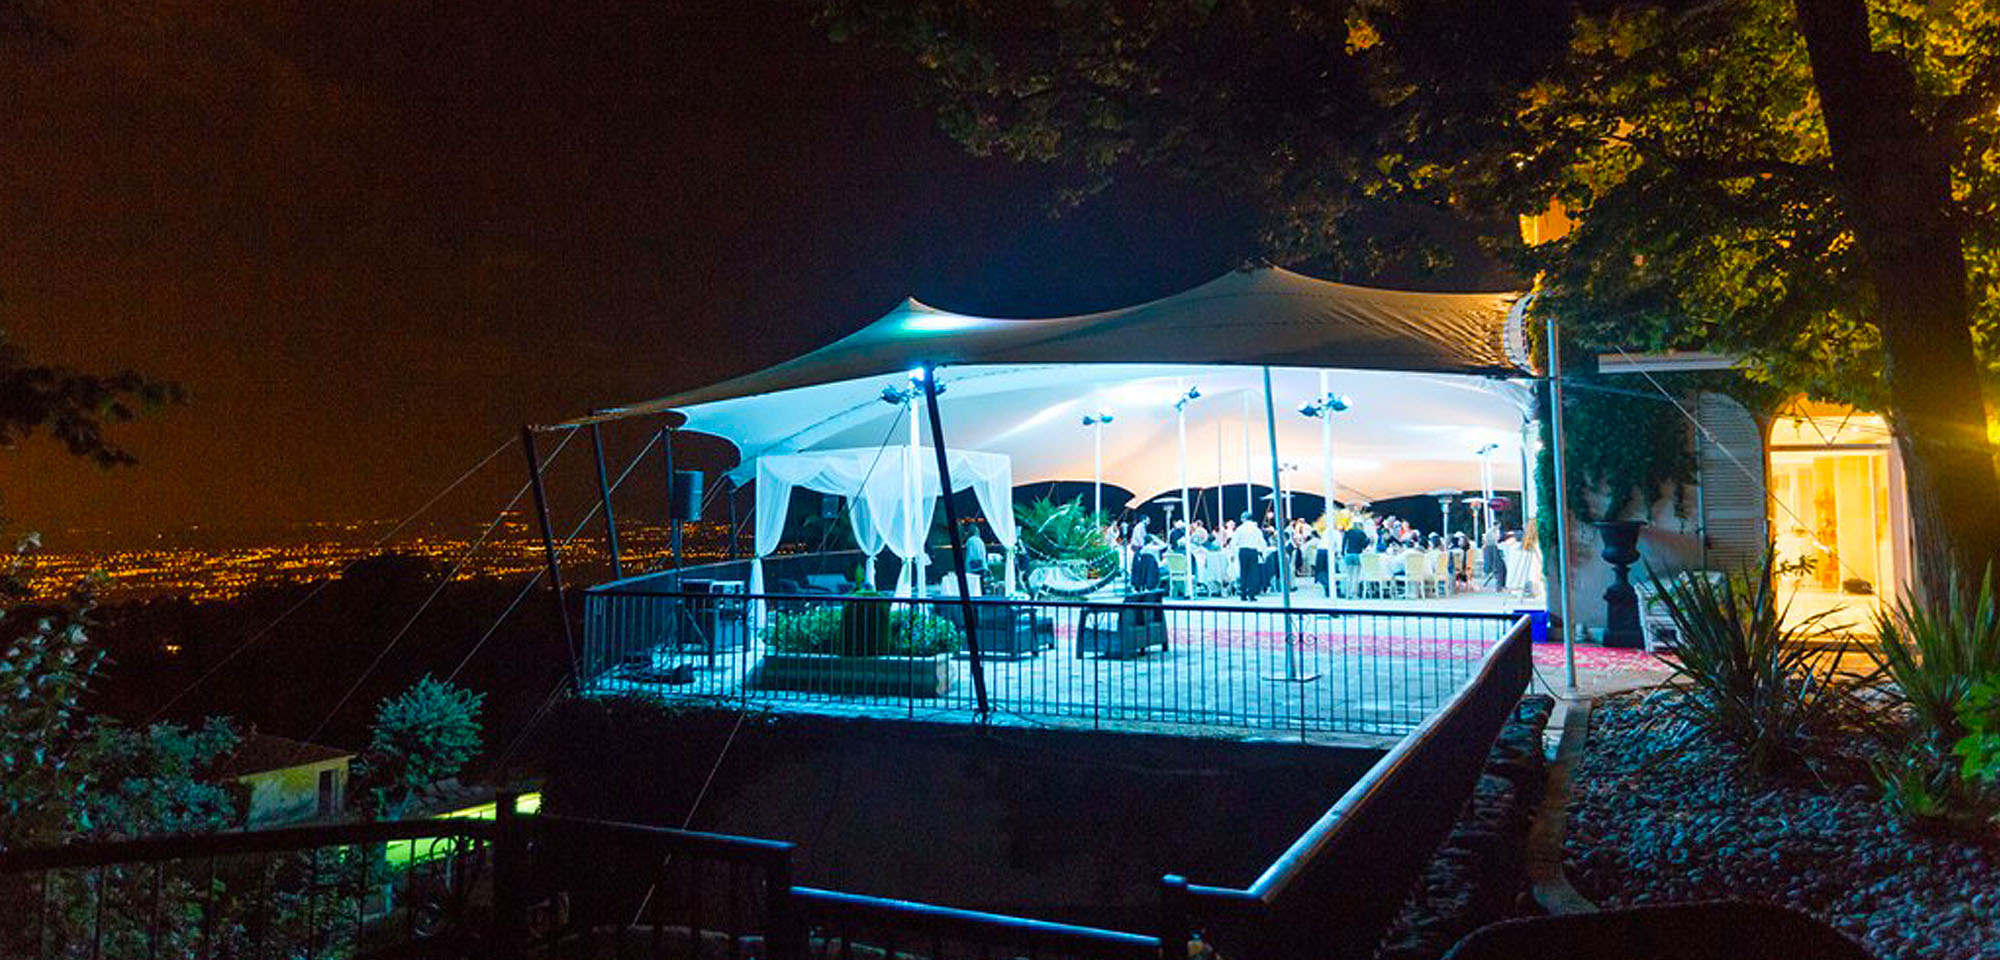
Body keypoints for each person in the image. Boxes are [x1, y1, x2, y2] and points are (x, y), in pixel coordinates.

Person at [1232, 512, 1269, 600]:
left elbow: (1233, 542)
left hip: (1243, 551)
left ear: (1244, 518)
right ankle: (1252, 594)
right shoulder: (1256, 530)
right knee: (1253, 573)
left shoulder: (1240, 529)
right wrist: (1264, 554)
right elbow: (1262, 542)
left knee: (1243, 572)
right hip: (1253, 551)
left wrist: (1233, 553)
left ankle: (1243, 594)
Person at [1340, 518, 1371, 597]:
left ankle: (1347, 594)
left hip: (1349, 554)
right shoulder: (1362, 533)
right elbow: (1364, 546)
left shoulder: (1348, 532)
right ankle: (1355, 594)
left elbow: (1344, 543)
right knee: (1356, 576)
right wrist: (1368, 540)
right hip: (1357, 554)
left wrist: (1342, 552)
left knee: (1349, 575)